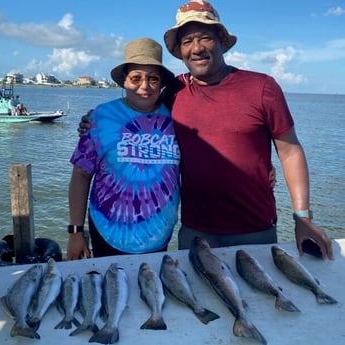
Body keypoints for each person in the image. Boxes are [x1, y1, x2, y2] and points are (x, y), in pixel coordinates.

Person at [78, 0, 333, 259]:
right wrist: (92, 121)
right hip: (195, 232)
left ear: (221, 40)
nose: (196, 48)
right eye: (187, 41)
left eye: (205, 38)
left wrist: (302, 217)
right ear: (180, 50)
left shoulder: (262, 87)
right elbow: (137, 111)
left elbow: (290, 152)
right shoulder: (174, 92)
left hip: (255, 228)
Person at [67, 38, 180, 260]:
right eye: (136, 78)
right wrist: (75, 232)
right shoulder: (101, 117)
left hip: (160, 234)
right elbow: (81, 174)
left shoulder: (177, 117)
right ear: (124, 82)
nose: (144, 86)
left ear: (161, 83)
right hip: (107, 232)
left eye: (153, 78)